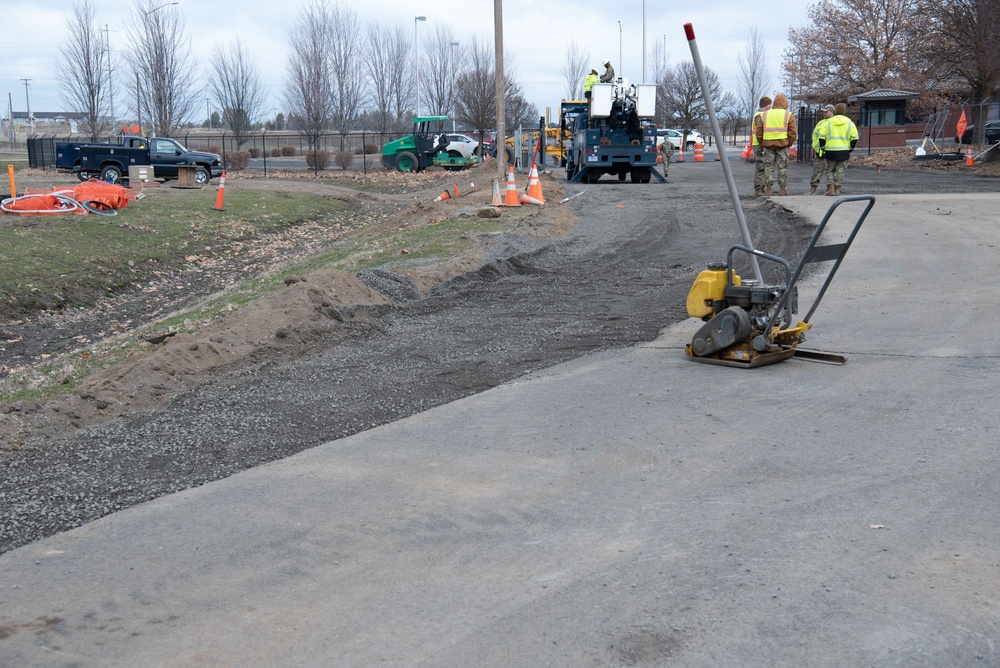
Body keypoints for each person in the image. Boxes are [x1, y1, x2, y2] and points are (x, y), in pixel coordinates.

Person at [754, 92, 797, 196]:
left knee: (769, 167)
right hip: (783, 145)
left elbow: (759, 132)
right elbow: (793, 132)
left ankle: (769, 189)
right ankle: (782, 189)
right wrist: (789, 143)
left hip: (768, 145)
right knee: (782, 167)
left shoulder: (765, 115)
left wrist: (762, 143)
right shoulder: (788, 115)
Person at [816, 102, 859, 196]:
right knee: (840, 170)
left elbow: (821, 137)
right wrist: (850, 148)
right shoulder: (850, 123)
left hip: (830, 151)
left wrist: (823, 148)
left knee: (830, 170)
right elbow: (855, 138)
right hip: (844, 151)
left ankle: (830, 187)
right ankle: (837, 189)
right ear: (844, 111)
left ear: (835, 111)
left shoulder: (829, 122)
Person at [810, 104, 835, 194]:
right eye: (823, 112)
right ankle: (813, 189)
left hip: (830, 152)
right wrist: (816, 146)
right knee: (816, 171)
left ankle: (831, 189)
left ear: (832, 111)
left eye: (826, 112)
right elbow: (815, 135)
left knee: (830, 171)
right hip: (820, 152)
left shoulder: (835, 122)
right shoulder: (820, 123)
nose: (824, 113)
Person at [752, 96, 771, 197]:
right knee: (760, 167)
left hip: (760, 143)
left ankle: (761, 187)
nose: (770, 107)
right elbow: (760, 131)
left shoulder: (760, 115)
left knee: (762, 167)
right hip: (759, 144)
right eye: (769, 104)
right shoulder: (760, 116)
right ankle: (759, 189)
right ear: (766, 105)